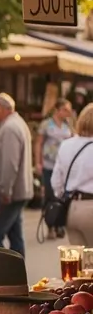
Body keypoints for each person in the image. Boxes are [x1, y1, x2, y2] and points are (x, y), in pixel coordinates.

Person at [0, 94, 33, 257]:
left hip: (10, 192)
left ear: (2, 108)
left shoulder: (10, 128)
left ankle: (6, 273)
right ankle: (18, 275)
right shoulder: (17, 124)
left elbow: (10, 163)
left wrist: (5, 189)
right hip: (19, 190)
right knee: (15, 236)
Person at [50, 103, 93, 247]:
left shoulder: (67, 145)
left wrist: (64, 194)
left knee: (80, 264)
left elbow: (56, 181)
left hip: (72, 208)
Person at [35, 97, 74, 239]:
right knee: (50, 195)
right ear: (57, 110)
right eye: (65, 110)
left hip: (64, 165)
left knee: (63, 196)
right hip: (49, 164)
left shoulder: (68, 125)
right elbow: (39, 143)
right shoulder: (47, 124)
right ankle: (50, 225)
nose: (67, 113)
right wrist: (37, 162)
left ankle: (60, 225)